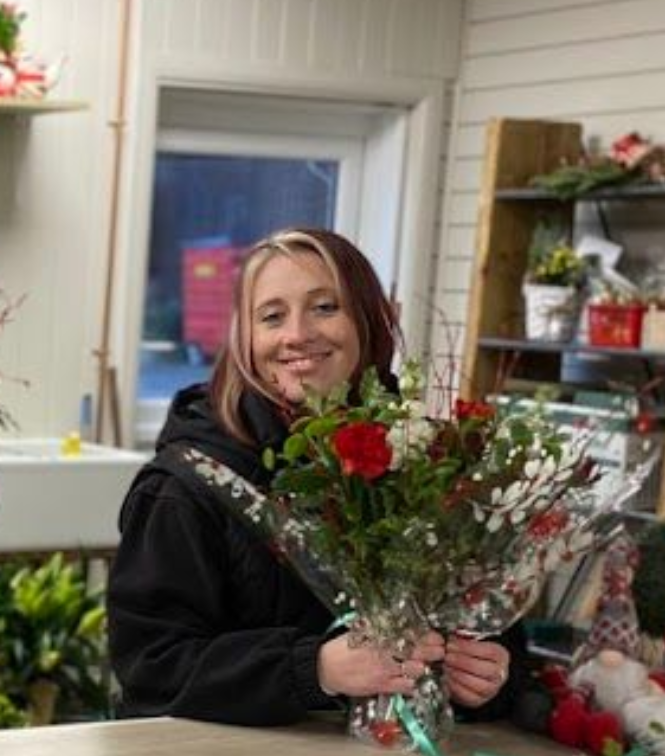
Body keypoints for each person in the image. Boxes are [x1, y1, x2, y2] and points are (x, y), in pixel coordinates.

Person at [108, 227, 514, 726]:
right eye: (272, 316)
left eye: (325, 307)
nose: (298, 334)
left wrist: (484, 672)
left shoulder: (425, 468)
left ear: (368, 319)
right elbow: (150, 669)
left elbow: (477, 621)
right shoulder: (186, 486)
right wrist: (316, 668)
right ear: (245, 338)